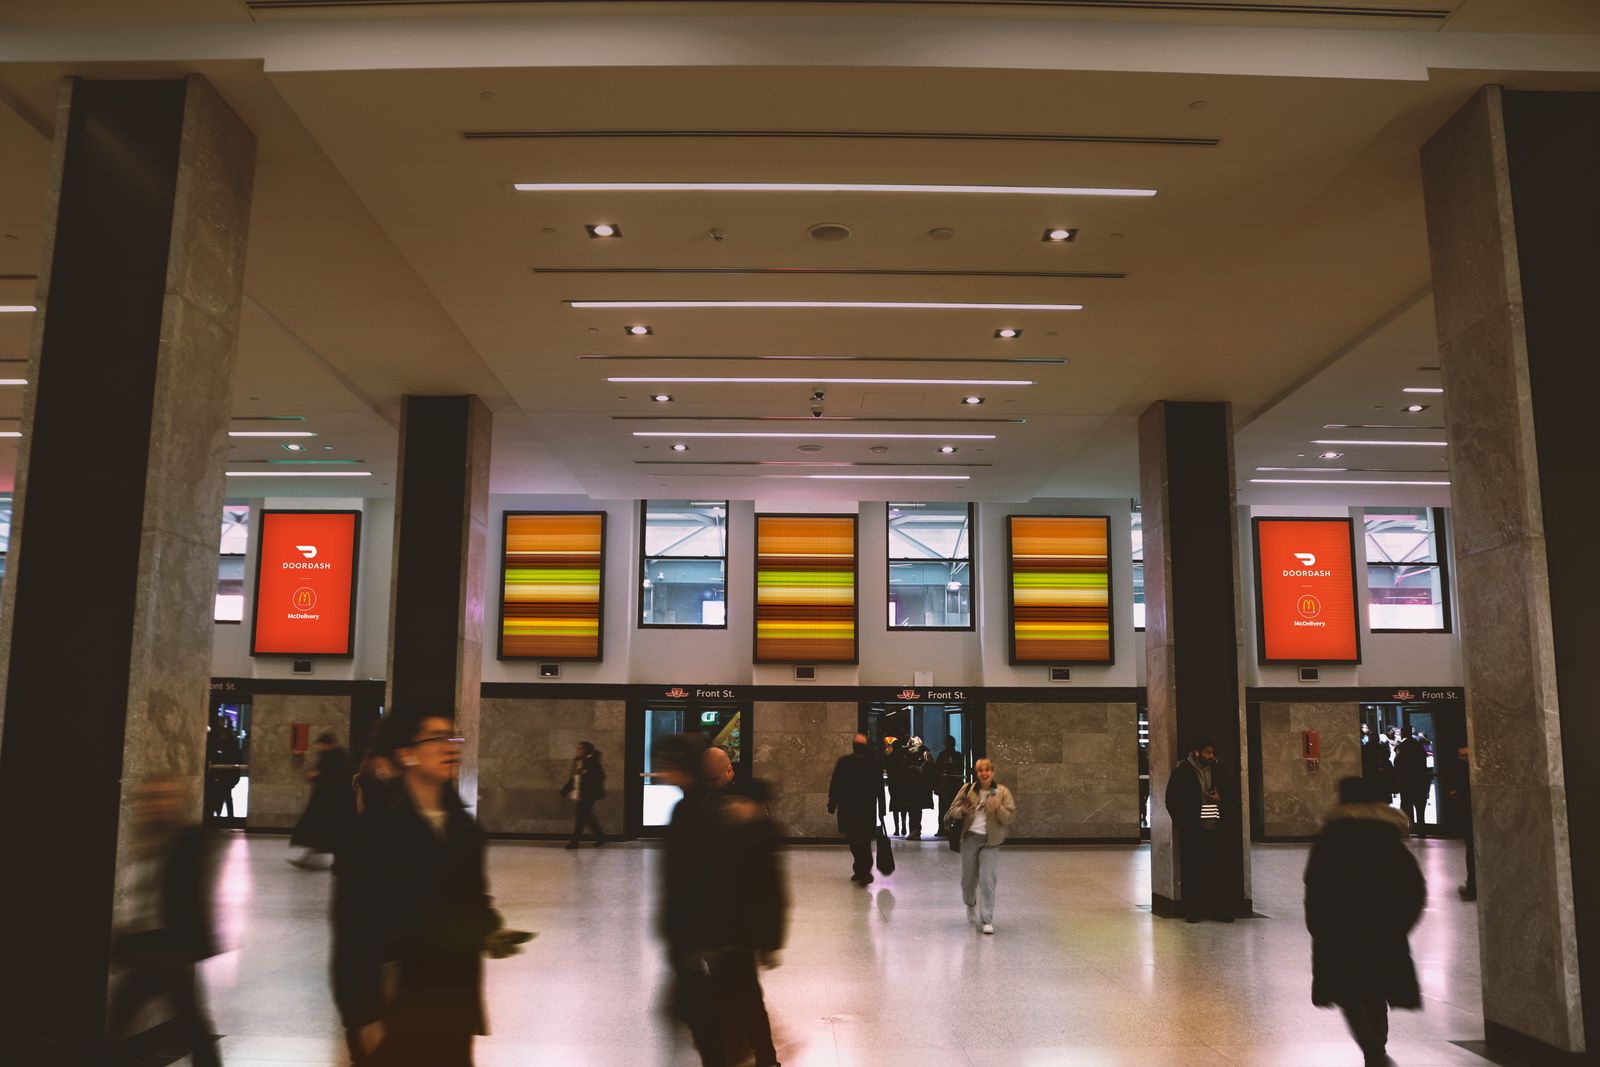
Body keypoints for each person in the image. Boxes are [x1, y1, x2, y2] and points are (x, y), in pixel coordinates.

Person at [339, 714, 529, 1065]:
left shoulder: (465, 828)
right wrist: (363, 1013)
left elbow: (471, 898)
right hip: (397, 999)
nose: (450, 748)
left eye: (453, 739)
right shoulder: (374, 831)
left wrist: (489, 930)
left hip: (453, 998)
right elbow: (352, 928)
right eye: (436, 738)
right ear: (406, 753)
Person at [1305, 776, 1426, 1067]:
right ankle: (1377, 1046)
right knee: (1375, 990)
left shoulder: (1330, 838)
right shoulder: (1387, 838)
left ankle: (1371, 1046)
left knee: (1347, 992)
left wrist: (1318, 927)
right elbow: (1414, 888)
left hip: (1339, 932)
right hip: (1382, 931)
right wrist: (1399, 925)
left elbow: (1315, 886)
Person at [108, 779, 222, 1067]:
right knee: (188, 1017)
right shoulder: (150, 838)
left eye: (162, 796)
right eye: (150, 797)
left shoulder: (188, 840)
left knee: (125, 1014)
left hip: (168, 947)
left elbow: (192, 896)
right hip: (155, 946)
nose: (154, 804)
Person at [656, 736, 730, 1064]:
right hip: (689, 927)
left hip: (695, 927)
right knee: (698, 1008)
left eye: (667, 766)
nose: (661, 773)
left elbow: (704, 875)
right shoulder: (692, 806)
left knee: (703, 1013)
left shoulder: (697, 810)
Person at [712, 777, 790, 1067]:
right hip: (729, 933)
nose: (733, 807)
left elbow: (774, 896)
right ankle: (758, 1053)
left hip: (740, 936)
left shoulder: (758, 840)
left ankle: (763, 1055)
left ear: (757, 806)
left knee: (745, 998)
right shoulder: (734, 834)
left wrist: (770, 942)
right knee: (741, 997)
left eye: (740, 802)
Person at [945, 757, 1016, 934]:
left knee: (988, 880)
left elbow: (1010, 818)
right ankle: (970, 903)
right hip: (970, 839)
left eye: (987, 770)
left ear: (993, 772)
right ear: (976, 773)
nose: (984, 773)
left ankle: (986, 919)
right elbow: (952, 810)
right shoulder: (968, 789)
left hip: (990, 841)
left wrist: (998, 807)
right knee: (968, 881)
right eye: (980, 770)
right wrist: (962, 811)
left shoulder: (1001, 791)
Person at [1165, 736, 1232, 923]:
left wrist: (1220, 800)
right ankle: (1193, 909)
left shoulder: (1219, 770)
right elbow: (1172, 801)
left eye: (1212, 752)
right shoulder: (1182, 772)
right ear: (1196, 752)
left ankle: (1219, 909)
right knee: (1192, 871)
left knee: (1217, 870)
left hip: (1216, 829)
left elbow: (1230, 795)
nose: (1211, 756)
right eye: (1207, 752)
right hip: (1193, 830)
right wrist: (1183, 825)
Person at [289, 731, 354, 870]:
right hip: (329, 801)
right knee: (326, 833)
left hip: (329, 802)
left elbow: (328, 775)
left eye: (319, 744)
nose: (317, 747)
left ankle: (314, 860)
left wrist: (316, 774)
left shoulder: (333, 757)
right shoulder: (335, 756)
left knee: (323, 831)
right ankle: (314, 860)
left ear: (325, 744)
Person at [827, 733, 884, 885]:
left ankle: (864, 870)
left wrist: (883, 809)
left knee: (862, 841)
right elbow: (836, 784)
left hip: (861, 808)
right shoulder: (848, 762)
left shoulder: (870, 763)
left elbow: (879, 788)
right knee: (855, 841)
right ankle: (860, 869)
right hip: (853, 808)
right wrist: (832, 802)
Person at [563, 740, 609, 849]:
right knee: (588, 818)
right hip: (580, 793)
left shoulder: (593, 761)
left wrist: (587, 773)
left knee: (581, 817)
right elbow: (574, 778)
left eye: (580, 748)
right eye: (577, 748)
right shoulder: (577, 761)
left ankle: (574, 842)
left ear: (586, 750)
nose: (577, 750)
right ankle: (601, 837)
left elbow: (601, 776)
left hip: (589, 794)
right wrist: (565, 789)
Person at [1445, 745, 1476, 901]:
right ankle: (1472, 884)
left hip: (1471, 818)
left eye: (1466, 756)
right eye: (1462, 757)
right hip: (1469, 819)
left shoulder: (1463, 778)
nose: (1464, 760)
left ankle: (1473, 887)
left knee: (1472, 852)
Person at [1394, 725, 1431, 834]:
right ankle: (1421, 830)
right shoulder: (1418, 745)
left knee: (1407, 807)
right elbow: (1424, 761)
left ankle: (1410, 829)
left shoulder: (1402, 746)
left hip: (1407, 782)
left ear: (1402, 733)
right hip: (1419, 781)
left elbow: (1397, 762)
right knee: (1420, 809)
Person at [934, 735, 964, 838]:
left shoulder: (957, 756)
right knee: (943, 808)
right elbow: (937, 768)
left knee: (951, 808)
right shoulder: (943, 755)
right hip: (945, 786)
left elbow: (960, 768)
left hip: (953, 786)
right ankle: (942, 828)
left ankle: (951, 829)